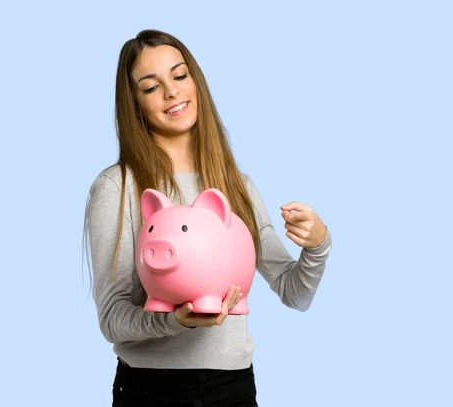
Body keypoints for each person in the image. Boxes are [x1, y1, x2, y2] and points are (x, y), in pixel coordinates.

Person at [83, 29, 332, 407]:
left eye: (180, 76)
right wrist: (174, 322)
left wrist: (318, 246)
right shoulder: (117, 188)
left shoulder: (237, 186)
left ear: (195, 81)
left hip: (231, 387)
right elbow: (113, 317)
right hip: (151, 390)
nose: (172, 93)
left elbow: (293, 292)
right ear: (134, 103)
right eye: (151, 87)